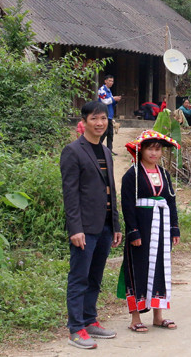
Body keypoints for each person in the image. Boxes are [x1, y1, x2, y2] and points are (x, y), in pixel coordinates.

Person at [61, 101, 124, 349]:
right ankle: (75, 328)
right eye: (94, 119)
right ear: (84, 121)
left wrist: (116, 224)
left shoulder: (106, 152)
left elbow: (111, 191)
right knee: (79, 277)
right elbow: (70, 194)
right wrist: (75, 229)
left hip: (105, 226)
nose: (100, 124)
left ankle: (89, 320)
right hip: (84, 228)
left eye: (104, 119)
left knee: (95, 277)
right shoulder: (73, 151)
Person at [119, 130, 182, 332]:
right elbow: (127, 205)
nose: (154, 153)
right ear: (141, 150)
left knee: (160, 268)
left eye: (158, 149)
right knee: (138, 267)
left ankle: (158, 315)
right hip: (142, 227)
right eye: (150, 149)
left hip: (161, 226)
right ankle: (135, 318)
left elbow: (170, 201)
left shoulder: (164, 174)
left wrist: (174, 228)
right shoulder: (132, 174)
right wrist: (133, 231)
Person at [98, 75, 122, 154]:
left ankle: (109, 150)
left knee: (110, 134)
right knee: (104, 133)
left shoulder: (109, 91)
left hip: (110, 115)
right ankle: (97, 148)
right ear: (105, 81)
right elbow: (104, 101)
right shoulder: (101, 90)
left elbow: (111, 103)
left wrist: (116, 100)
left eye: (112, 81)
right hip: (104, 115)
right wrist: (113, 98)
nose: (111, 82)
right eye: (109, 81)